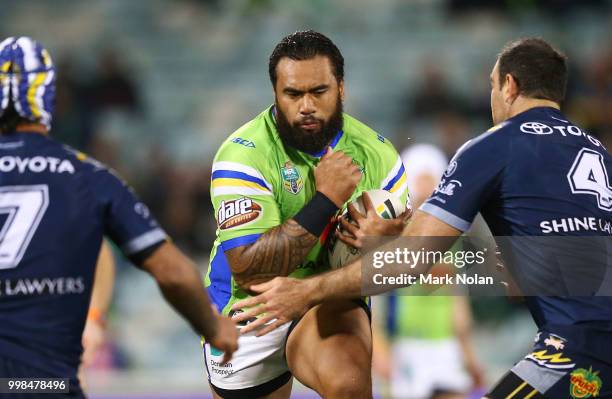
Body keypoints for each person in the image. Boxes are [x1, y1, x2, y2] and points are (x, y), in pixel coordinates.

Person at [233, 38, 612, 398]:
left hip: (581, 350)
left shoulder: (495, 146)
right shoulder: (600, 155)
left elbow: (411, 259)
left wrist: (306, 291)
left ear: (509, 86)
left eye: (492, 86)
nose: (492, 97)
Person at [0, 36, 238, 398]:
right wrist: (214, 326)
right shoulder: (88, 177)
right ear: (47, 97)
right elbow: (171, 272)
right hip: (43, 385)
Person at [204, 30, 408, 399]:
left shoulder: (380, 158)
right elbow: (252, 271)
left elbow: (405, 264)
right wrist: (326, 199)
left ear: (341, 89)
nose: (307, 106)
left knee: (348, 381)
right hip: (252, 307)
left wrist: (389, 244)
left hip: (329, 297)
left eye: (319, 92)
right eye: (293, 94)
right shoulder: (243, 155)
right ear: (276, 94)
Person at [372, 144, 483, 399]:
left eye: (430, 180)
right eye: (419, 180)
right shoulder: (389, 235)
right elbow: (374, 298)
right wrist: (379, 349)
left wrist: (467, 352)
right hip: (405, 345)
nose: (425, 188)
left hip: (446, 346)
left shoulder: (453, 237)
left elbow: (456, 297)